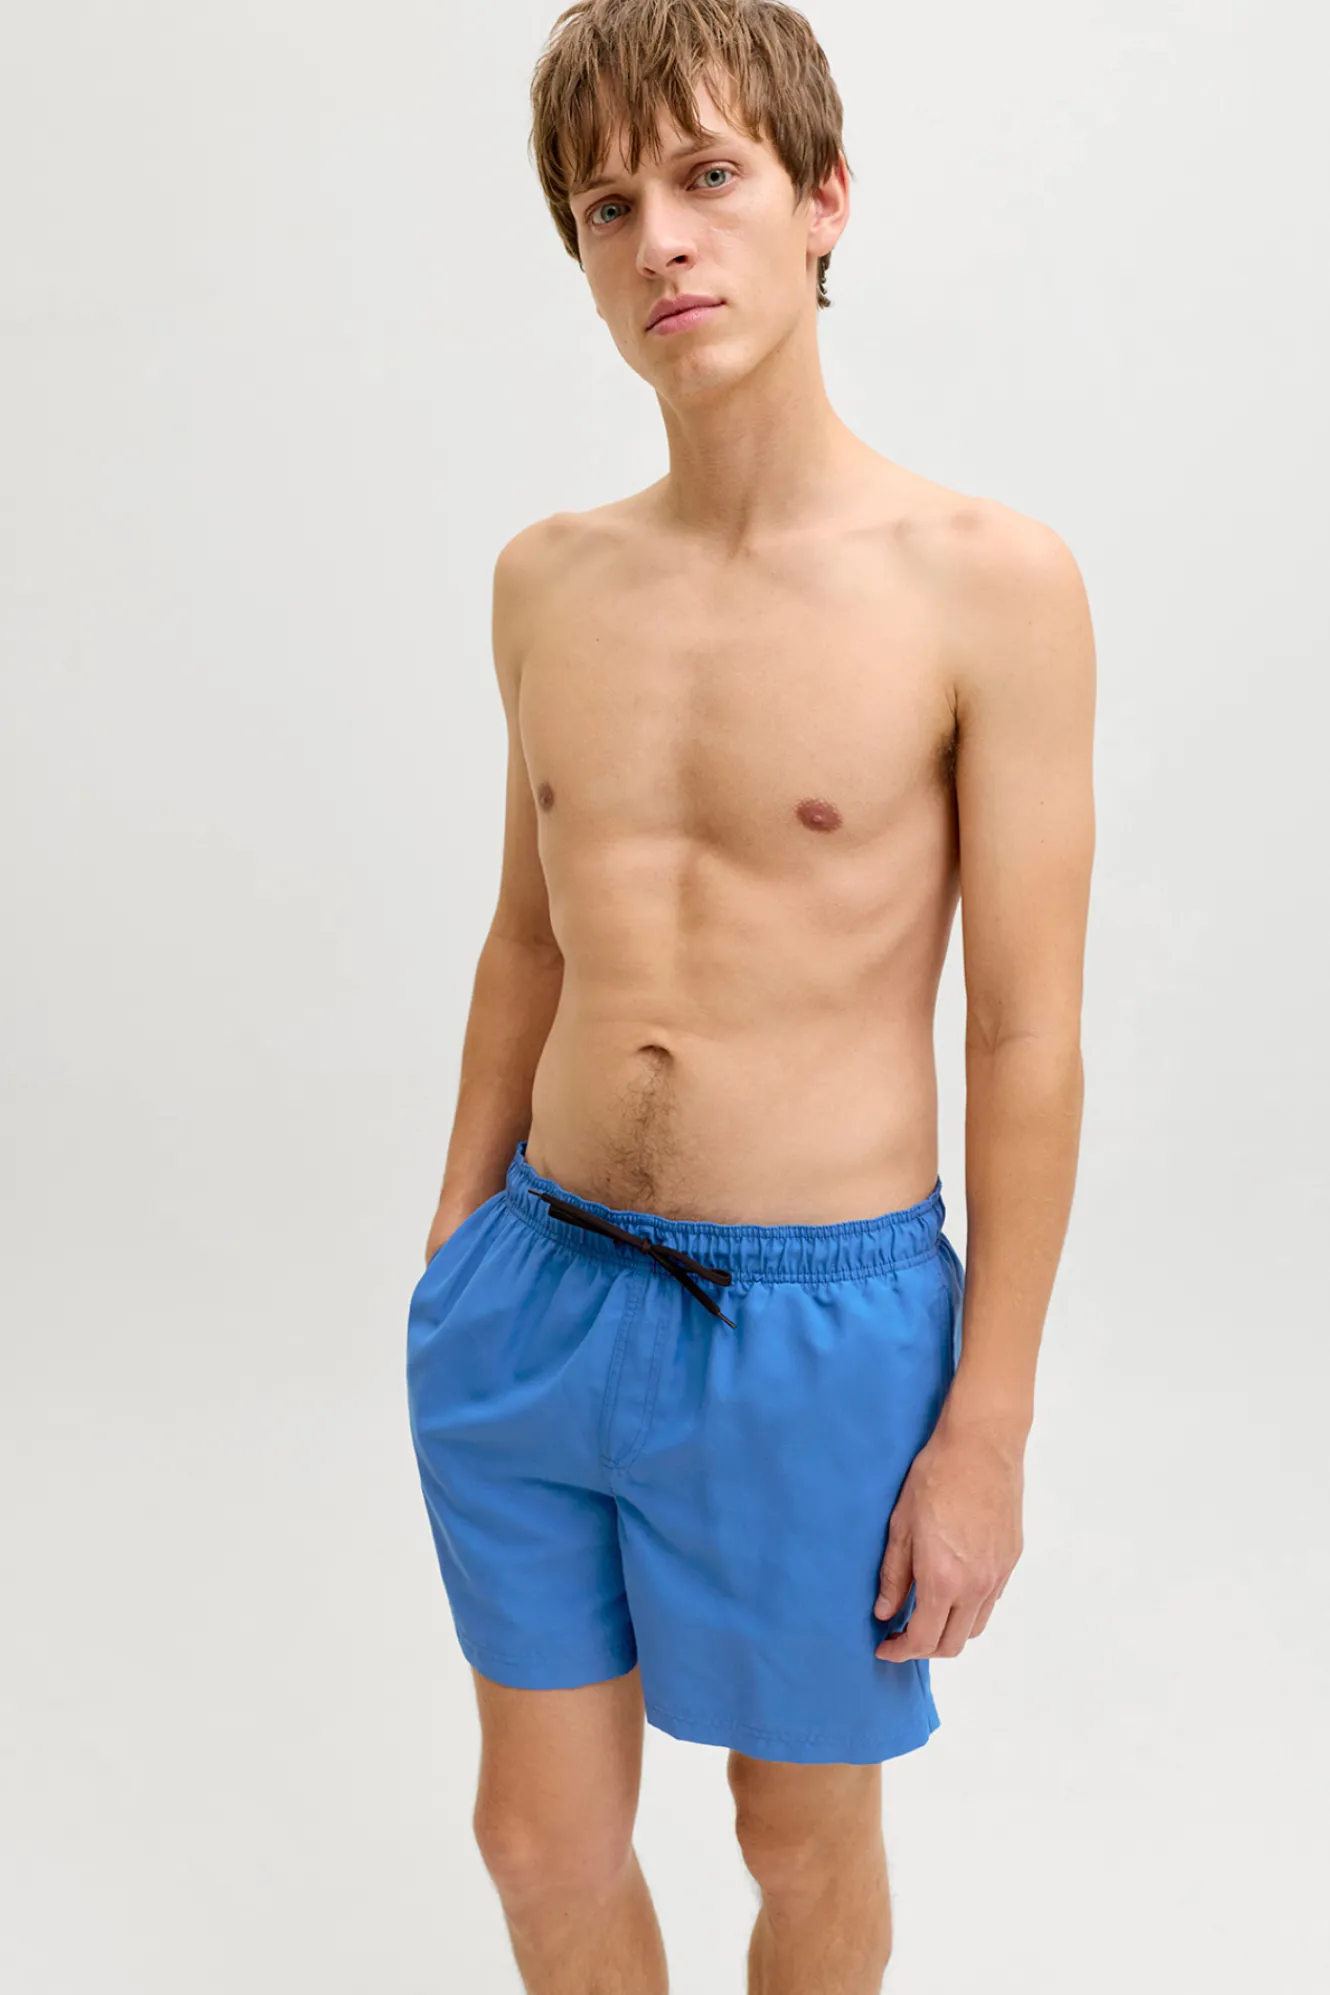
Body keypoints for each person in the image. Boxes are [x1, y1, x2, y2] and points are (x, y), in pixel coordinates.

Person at [405, 1, 1096, 1989]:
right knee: (534, 1838)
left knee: (794, 1834)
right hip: (536, 1291)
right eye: (605, 207)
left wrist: (985, 1427)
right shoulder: (545, 579)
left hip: (816, 1324)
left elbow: (1024, 1032)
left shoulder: (985, 582)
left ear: (821, 200)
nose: (661, 244)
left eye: (708, 177)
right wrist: (452, 1243)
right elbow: (527, 939)